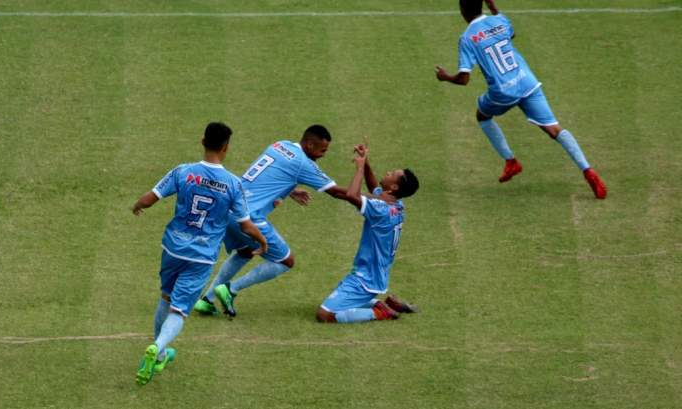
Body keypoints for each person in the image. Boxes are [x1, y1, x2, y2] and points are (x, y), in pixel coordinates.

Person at [130, 122, 267, 385]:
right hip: (201, 257)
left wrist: (137, 205)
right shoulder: (233, 184)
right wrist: (262, 241)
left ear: (203, 141)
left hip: (173, 248)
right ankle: (158, 346)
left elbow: (151, 197)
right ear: (226, 148)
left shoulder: (183, 171)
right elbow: (245, 225)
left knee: (165, 297)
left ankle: (160, 355)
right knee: (179, 310)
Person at [434, 0, 607, 199]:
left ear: (462, 10)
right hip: (527, 82)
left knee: (482, 115)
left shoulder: (467, 38)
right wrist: (494, 8)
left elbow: (464, 79)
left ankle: (511, 161)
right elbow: (511, 33)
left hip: (503, 92)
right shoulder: (500, 20)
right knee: (554, 129)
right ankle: (588, 170)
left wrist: (445, 77)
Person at [194, 124, 347, 317]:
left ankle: (206, 300)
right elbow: (338, 192)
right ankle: (230, 289)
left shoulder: (280, 145)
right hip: (248, 216)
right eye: (322, 150)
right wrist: (370, 199)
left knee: (245, 251)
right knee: (285, 261)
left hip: (229, 208)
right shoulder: (303, 163)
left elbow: (266, 175)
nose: (323, 155)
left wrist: (290, 190)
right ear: (310, 144)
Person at [316, 142, 420, 324]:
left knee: (325, 314)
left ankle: (379, 312)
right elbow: (374, 190)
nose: (388, 172)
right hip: (375, 275)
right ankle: (383, 304)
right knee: (340, 303)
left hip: (366, 279)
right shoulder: (397, 205)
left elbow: (352, 195)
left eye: (392, 174)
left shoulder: (381, 210)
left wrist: (359, 167)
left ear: (394, 188)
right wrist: (366, 161)